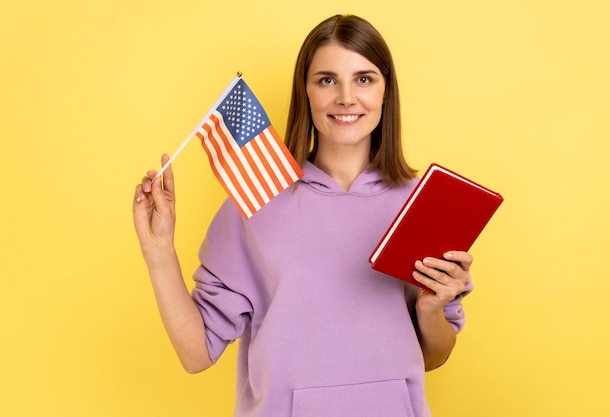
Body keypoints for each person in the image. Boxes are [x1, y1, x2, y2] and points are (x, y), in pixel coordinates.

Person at [133, 14, 473, 417]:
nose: (346, 97)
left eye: (364, 78)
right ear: (305, 92)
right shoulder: (256, 199)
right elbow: (196, 354)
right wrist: (158, 251)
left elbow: (434, 356)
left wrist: (432, 307)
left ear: (386, 91)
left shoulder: (424, 204)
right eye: (326, 80)